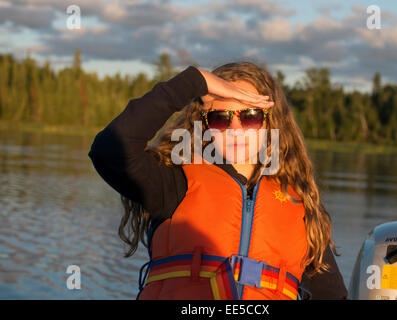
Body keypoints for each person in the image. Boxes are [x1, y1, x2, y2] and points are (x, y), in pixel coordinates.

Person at [88, 62, 347, 300]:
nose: (235, 130)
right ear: (205, 125)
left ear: (272, 123)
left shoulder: (301, 207)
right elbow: (108, 150)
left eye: (250, 117)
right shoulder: (173, 183)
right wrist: (195, 81)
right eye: (220, 118)